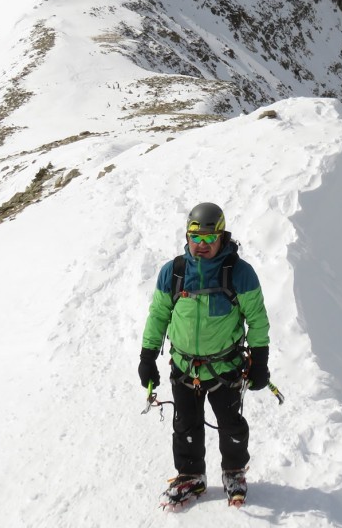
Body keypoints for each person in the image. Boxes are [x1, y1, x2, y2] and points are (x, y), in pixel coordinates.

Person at [138, 202, 271, 507]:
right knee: (185, 425)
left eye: (210, 239)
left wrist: (260, 359)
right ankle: (190, 476)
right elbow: (159, 315)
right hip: (184, 366)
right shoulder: (174, 273)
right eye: (195, 238)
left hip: (226, 367)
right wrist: (147, 357)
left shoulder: (239, 273)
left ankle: (234, 471)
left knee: (231, 424)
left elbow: (258, 319)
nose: (201, 245)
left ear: (222, 237)